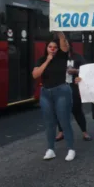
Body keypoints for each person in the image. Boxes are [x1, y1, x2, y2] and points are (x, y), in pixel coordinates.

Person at [32, 32, 76, 161]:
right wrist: (47, 60)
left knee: (64, 121)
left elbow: (63, 42)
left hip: (61, 91)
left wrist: (60, 33)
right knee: (49, 123)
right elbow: (35, 75)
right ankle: (50, 149)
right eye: (50, 47)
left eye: (55, 47)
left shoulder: (62, 56)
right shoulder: (41, 59)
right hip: (46, 93)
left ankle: (71, 149)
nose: (52, 49)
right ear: (46, 48)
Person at [55, 40, 92, 142]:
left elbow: (86, 70)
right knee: (59, 110)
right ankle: (61, 132)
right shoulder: (57, 57)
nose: (64, 47)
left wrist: (76, 71)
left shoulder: (77, 57)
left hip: (74, 88)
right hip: (60, 87)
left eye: (66, 45)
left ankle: (84, 132)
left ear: (70, 46)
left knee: (77, 110)